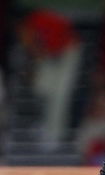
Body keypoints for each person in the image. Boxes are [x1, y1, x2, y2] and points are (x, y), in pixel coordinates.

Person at [16, 9, 83, 144]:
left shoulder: (40, 22)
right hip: (51, 54)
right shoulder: (28, 30)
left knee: (59, 96)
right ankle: (44, 125)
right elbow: (34, 52)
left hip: (69, 52)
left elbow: (62, 32)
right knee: (41, 88)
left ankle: (54, 135)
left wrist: (37, 62)